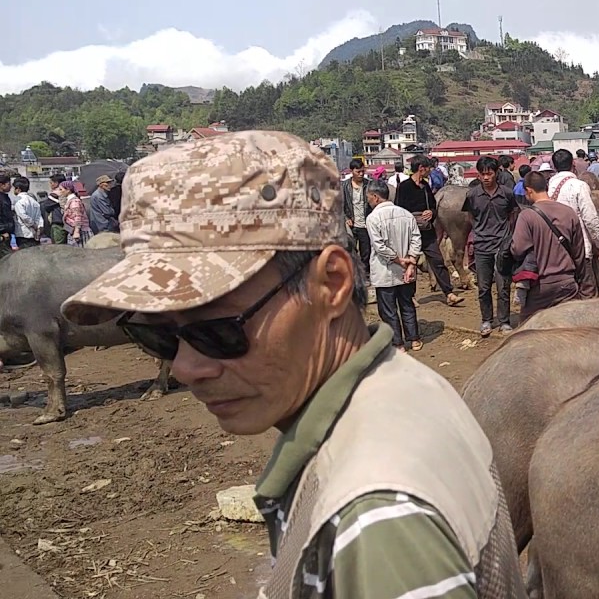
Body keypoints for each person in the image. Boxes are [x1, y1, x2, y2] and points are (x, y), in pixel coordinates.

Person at [59, 131, 523, 598]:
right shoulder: (402, 385)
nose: (185, 367)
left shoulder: (374, 523)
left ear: (333, 284)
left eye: (217, 330)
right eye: (156, 336)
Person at [510, 170, 585, 322]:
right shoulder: (569, 212)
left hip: (540, 285)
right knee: (567, 330)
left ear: (528, 191)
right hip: (567, 283)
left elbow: (517, 249)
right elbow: (579, 252)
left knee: (528, 330)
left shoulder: (526, 216)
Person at [394, 156, 463, 308]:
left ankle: (449, 293)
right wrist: (412, 217)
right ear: (421, 168)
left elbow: (432, 205)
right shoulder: (404, 187)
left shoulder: (425, 186)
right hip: (410, 232)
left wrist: (431, 213)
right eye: (428, 168)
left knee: (437, 260)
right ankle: (409, 295)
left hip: (427, 230)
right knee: (410, 263)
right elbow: (398, 209)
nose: (430, 171)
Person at [365, 180, 424, 351]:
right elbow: (416, 239)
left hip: (385, 271)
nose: (368, 200)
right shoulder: (406, 214)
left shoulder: (373, 218)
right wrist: (411, 261)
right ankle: (414, 339)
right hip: (406, 270)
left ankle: (398, 344)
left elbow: (379, 246)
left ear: (375, 197)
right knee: (407, 304)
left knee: (388, 309)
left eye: (369, 197)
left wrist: (398, 260)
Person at [463, 156, 519, 337]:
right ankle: (486, 320)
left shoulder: (507, 193)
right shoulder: (472, 195)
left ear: (496, 174)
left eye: (489, 174)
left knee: (503, 286)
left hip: (502, 245)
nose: (486, 177)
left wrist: (507, 236)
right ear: (478, 175)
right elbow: (470, 217)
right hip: (482, 246)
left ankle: (504, 321)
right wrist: (478, 233)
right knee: (484, 286)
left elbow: (512, 214)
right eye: (482, 174)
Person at [547, 149, 599, 297]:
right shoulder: (579, 186)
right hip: (580, 247)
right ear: (573, 164)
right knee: (587, 290)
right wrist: (598, 242)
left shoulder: (548, 187)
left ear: (554, 166)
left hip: (555, 250)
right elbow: (589, 218)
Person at [340, 159, 373, 282]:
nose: (361, 174)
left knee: (366, 251)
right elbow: (339, 205)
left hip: (365, 223)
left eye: (362, 171)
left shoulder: (369, 185)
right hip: (351, 224)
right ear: (351, 171)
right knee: (351, 251)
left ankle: (365, 275)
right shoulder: (343, 186)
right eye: (358, 171)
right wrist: (346, 218)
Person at [10, 176, 43, 249]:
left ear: (18, 189)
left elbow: (23, 216)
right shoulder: (34, 201)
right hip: (34, 235)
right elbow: (39, 217)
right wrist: (38, 228)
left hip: (23, 234)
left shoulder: (18, 201)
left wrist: (33, 225)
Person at [57, 181, 91, 246]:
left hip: (80, 231)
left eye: (61, 189)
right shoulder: (70, 200)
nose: (60, 191)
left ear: (68, 190)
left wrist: (76, 231)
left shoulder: (74, 201)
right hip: (73, 229)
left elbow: (77, 217)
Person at [0, 175, 13, 249]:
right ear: (1, 185)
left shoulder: (5, 197)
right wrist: (2, 231)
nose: (10, 187)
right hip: (3, 234)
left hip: (7, 233)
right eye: (9, 184)